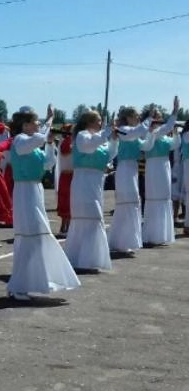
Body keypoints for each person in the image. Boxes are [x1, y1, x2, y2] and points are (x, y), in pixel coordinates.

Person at [6, 105, 80, 300]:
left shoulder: (32, 143)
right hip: (24, 190)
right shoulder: (20, 140)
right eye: (35, 122)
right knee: (30, 234)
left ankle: (28, 281)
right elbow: (36, 139)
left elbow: (48, 163)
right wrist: (48, 122)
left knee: (36, 236)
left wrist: (49, 144)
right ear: (25, 124)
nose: (38, 125)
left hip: (35, 189)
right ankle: (18, 285)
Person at [64, 110, 120, 271]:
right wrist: (107, 132)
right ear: (89, 122)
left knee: (94, 219)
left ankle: (87, 259)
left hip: (95, 183)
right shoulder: (82, 136)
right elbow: (88, 146)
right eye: (98, 121)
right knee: (89, 217)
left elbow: (108, 155)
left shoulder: (98, 139)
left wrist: (114, 141)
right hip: (83, 181)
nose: (100, 123)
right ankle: (82, 259)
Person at [108, 107, 150, 254]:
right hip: (124, 168)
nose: (138, 117)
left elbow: (146, 145)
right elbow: (134, 133)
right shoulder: (123, 129)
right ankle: (121, 242)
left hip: (133, 168)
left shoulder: (133, 132)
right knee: (127, 202)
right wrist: (148, 120)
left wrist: (152, 132)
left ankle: (126, 241)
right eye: (136, 115)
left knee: (132, 203)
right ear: (128, 117)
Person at [140, 97, 179, 246]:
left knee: (163, 197)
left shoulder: (161, 133)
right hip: (153, 167)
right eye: (156, 116)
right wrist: (174, 112)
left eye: (159, 116)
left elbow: (169, 127)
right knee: (153, 197)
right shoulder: (147, 132)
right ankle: (152, 234)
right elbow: (167, 127)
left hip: (163, 166)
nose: (159, 119)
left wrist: (174, 111)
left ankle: (162, 233)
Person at [55, 125, 74, 236]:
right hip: (69, 176)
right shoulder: (67, 143)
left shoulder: (66, 142)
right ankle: (65, 228)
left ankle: (65, 227)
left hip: (66, 175)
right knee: (68, 201)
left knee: (66, 200)